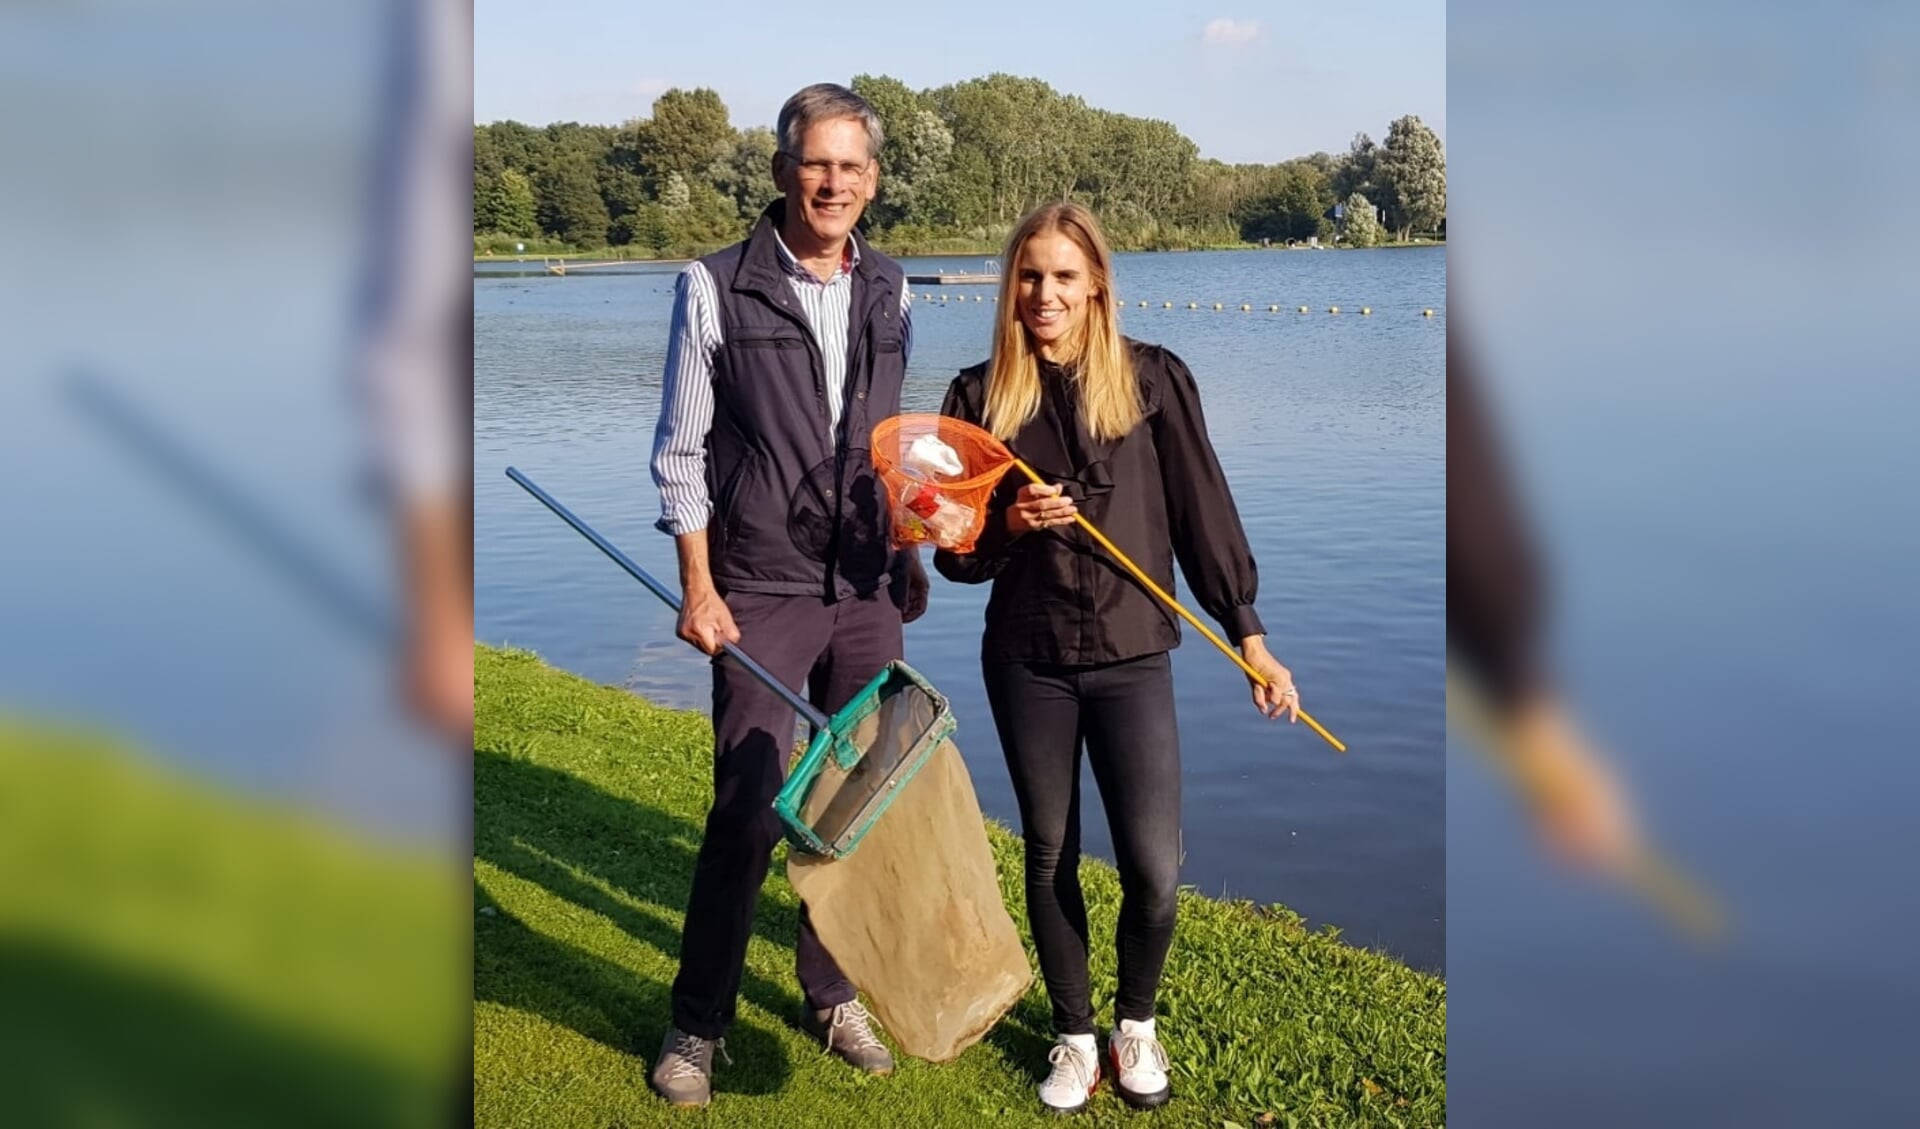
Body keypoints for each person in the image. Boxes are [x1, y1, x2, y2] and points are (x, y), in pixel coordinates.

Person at [933, 201, 1298, 1114]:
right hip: (1028, 658)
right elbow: (956, 554)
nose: (1044, 294)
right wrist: (1007, 524)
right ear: (1010, 285)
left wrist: (1248, 632)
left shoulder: (1155, 381)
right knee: (1050, 850)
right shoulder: (977, 398)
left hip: (1136, 652)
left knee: (1153, 865)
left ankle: (1135, 1020)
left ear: (1096, 281)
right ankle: (1074, 1034)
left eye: (1063, 275)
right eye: (1028, 275)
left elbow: (1204, 513)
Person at [645, 82, 926, 1108]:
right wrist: (698, 586)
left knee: (854, 805)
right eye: (818, 163)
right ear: (781, 171)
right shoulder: (714, 285)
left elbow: (893, 449)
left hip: (866, 586)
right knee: (750, 812)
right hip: (758, 586)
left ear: (874, 181)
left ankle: (832, 990)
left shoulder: (894, 289)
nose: (835, 183)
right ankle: (697, 1021)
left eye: (853, 167)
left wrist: (909, 549)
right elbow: (680, 454)